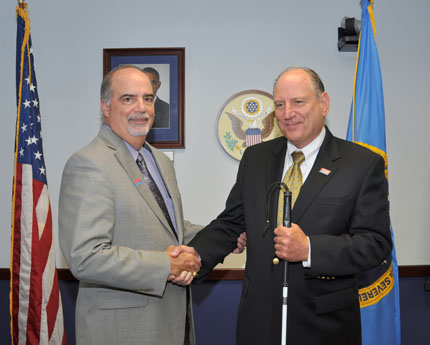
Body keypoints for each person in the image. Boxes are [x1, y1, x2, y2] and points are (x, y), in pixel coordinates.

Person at [181, 67, 392, 345]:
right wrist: (195, 255)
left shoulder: (362, 164)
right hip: (258, 323)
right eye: (279, 104)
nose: (287, 112)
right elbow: (232, 223)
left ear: (324, 103)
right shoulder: (256, 158)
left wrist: (310, 250)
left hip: (324, 326)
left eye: (298, 102)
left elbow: (375, 244)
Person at [58, 65, 245, 345]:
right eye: (128, 99)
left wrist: (223, 237)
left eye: (148, 98)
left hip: (172, 324)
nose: (141, 108)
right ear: (105, 107)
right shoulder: (89, 163)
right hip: (122, 332)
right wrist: (165, 265)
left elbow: (170, 230)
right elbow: (86, 256)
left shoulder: (160, 162)